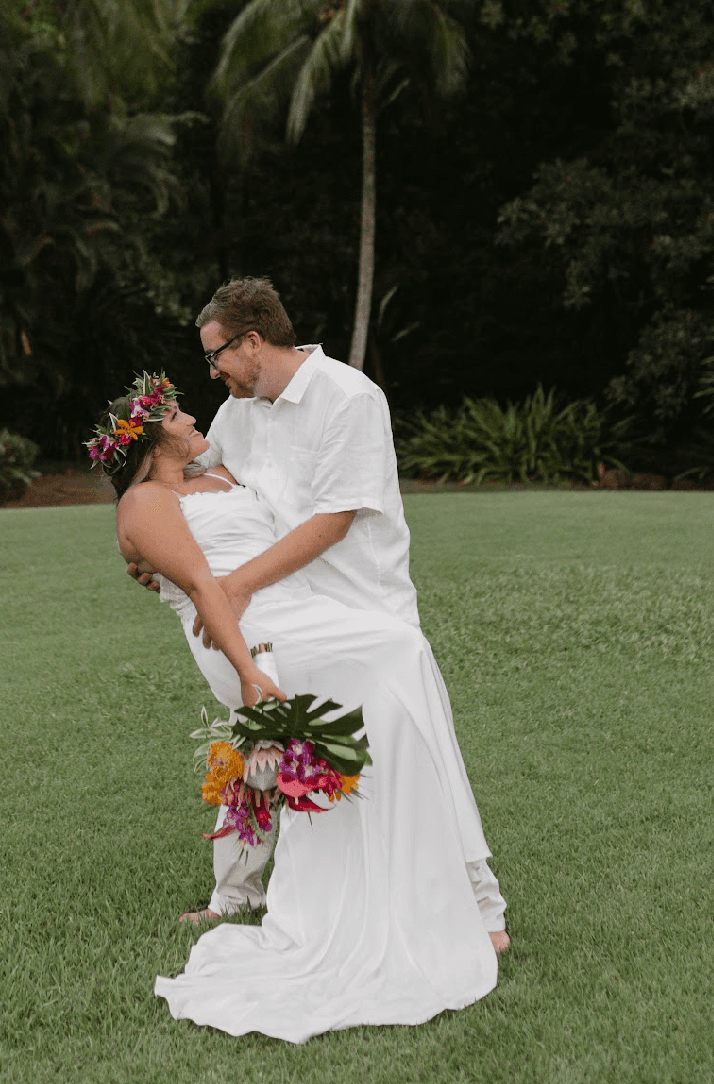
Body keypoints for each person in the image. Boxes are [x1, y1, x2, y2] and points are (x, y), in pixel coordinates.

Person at [94, 372, 499, 1043]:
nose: (193, 417)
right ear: (153, 439)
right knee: (394, 654)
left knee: (293, 735)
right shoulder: (145, 502)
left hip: (289, 609)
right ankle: (440, 888)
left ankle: (265, 887)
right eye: (177, 415)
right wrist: (249, 672)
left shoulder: (216, 471)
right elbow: (202, 586)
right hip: (237, 633)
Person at [128, 278, 508, 951]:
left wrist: (232, 587)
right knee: (261, 732)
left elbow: (334, 521)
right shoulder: (233, 415)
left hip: (362, 605)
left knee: (405, 744)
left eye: (216, 355)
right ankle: (238, 893)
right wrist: (151, 561)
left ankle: (478, 903)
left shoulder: (348, 397)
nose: (211, 372)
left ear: (253, 341)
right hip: (277, 614)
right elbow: (175, 486)